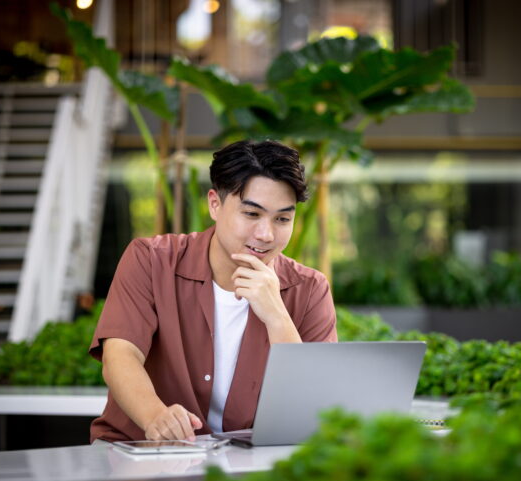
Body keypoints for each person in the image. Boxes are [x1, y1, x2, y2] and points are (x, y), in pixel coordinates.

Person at [89, 140, 338, 443]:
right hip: (142, 450)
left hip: (250, 464)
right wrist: (155, 416)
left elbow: (313, 406)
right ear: (214, 204)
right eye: (251, 214)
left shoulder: (310, 289)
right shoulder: (151, 260)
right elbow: (121, 355)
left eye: (282, 219)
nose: (266, 234)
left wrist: (277, 317)